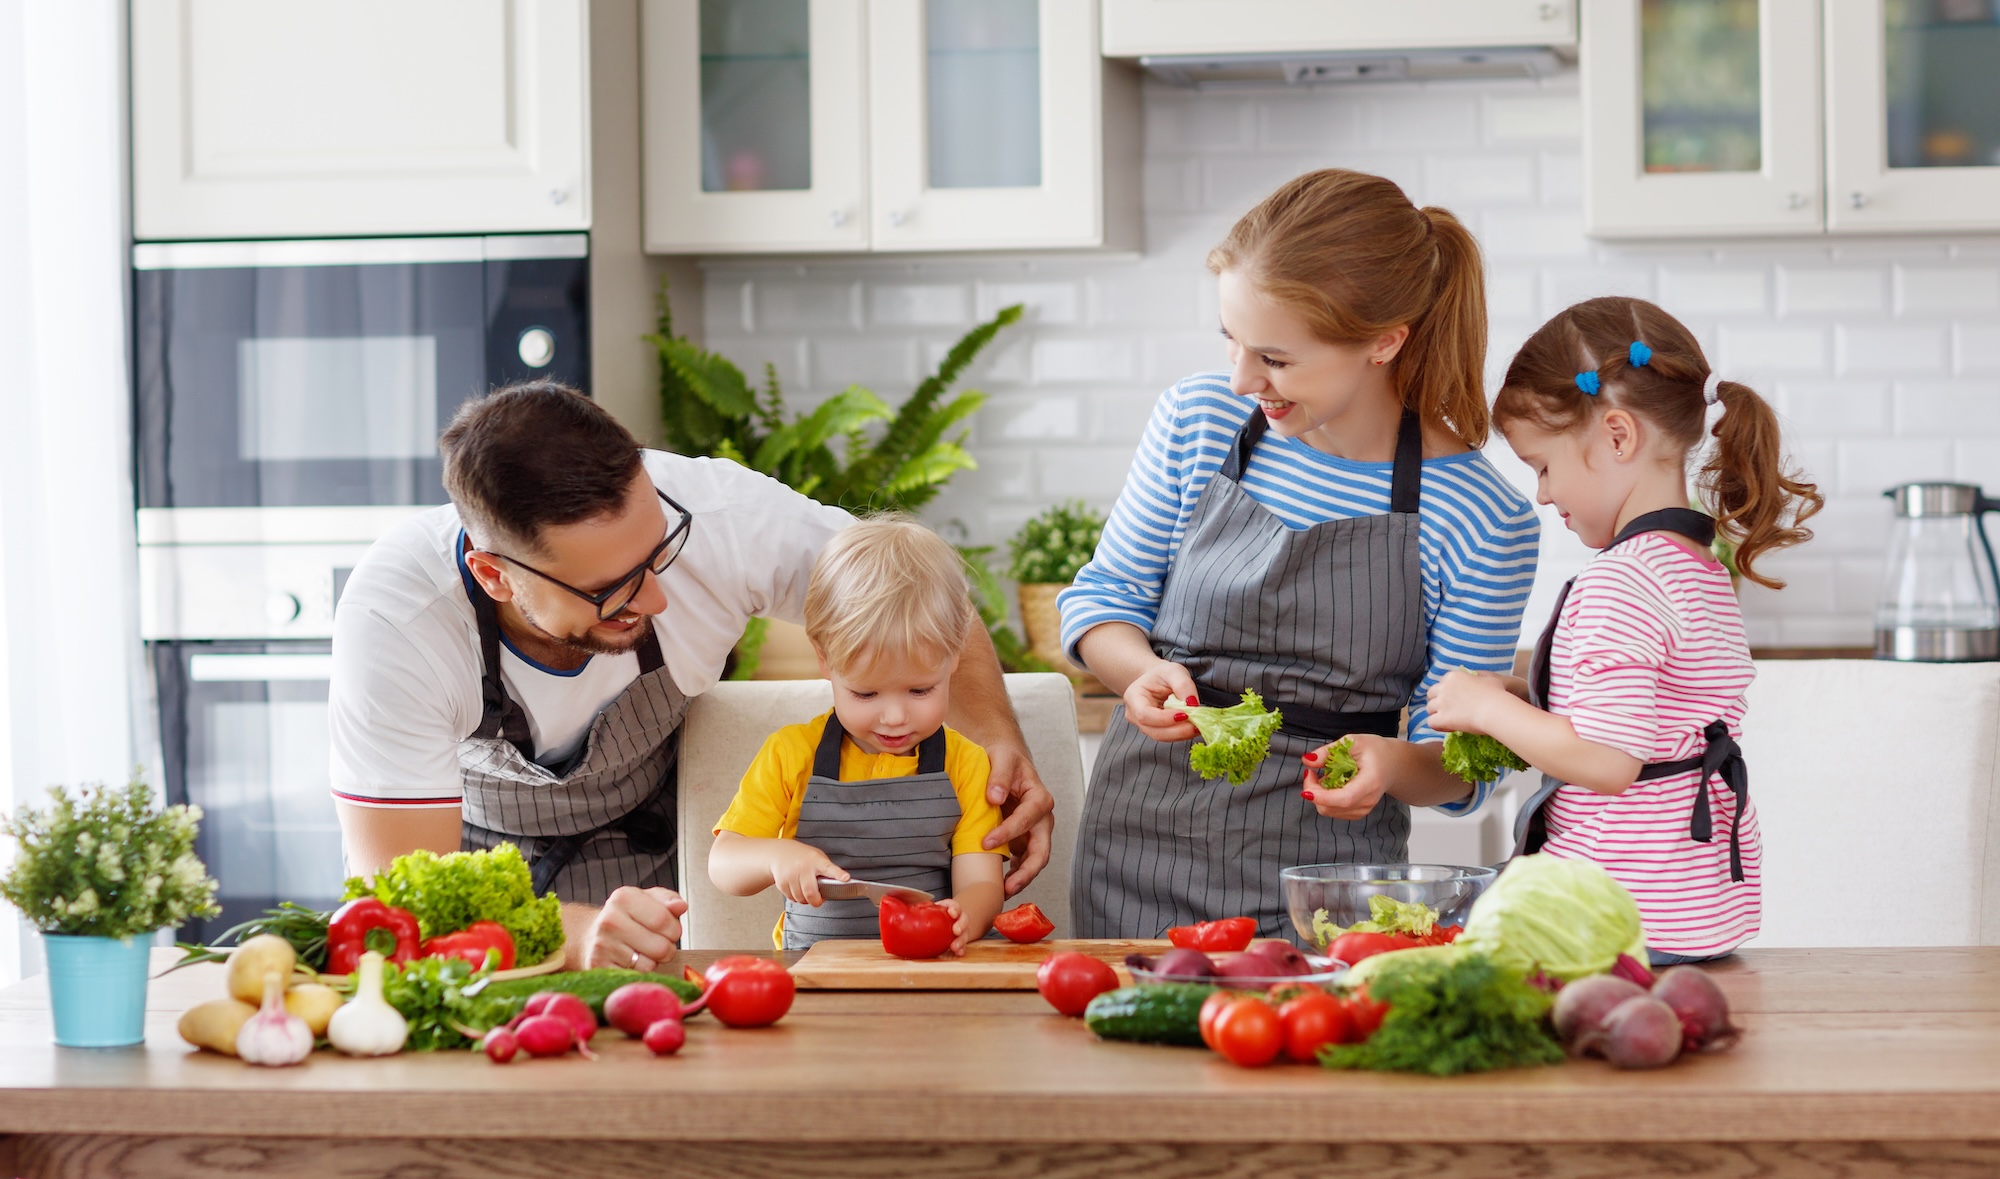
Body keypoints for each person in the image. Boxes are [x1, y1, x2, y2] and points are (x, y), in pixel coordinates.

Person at [329, 382, 1053, 971]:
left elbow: (929, 596)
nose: (656, 598)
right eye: (612, 589)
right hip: (486, 885)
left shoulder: (724, 516)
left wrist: (996, 738)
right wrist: (576, 935)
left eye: (659, 552)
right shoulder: (400, 623)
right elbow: (403, 893)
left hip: (654, 852)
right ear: (495, 575)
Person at [1058, 169, 1540, 940]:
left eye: (1275, 359)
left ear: (1384, 342)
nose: (1242, 378)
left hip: (1325, 883)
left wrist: (1388, 765)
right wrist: (1139, 670)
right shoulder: (1200, 420)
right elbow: (1102, 599)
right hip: (1137, 842)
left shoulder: (1481, 514)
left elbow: (1459, 759)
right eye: (1232, 341)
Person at [1425, 296, 1822, 965]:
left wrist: (1487, 708)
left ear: (1617, 436)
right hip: (1686, 907)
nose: (1544, 495)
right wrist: (1524, 696)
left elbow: (1609, 760)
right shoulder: (1696, 566)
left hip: (1618, 913)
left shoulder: (1624, 580)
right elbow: (1653, 718)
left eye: (1543, 466)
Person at [708, 516, 1004, 953]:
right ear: (824, 658)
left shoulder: (967, 763)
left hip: (932, 967)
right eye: (865, 693)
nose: (895, 717)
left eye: (920, 690)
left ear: (955, 655)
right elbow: (724, 866)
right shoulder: (791, 753)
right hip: (814, 973)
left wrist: (964, 917)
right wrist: (775, 857)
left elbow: (981, 882)